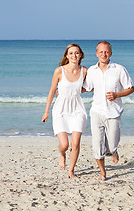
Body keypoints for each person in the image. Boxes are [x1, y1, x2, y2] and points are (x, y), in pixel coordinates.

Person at [83, 41, 134, 181]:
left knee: (112, 144)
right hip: (97, 111)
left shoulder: (119, 69)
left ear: (110, 53)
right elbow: (86, 88)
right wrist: (65, 90)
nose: (103, 54)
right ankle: (102, 172)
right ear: (96, 53)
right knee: (97, 143)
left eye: (106, 52)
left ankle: (114, 151)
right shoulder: (92, 71)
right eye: (101, 52)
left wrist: (117, 95)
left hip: (114, 112)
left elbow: (130, 88)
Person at [41, 43, 87, 179]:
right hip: (60, 110)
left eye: (77, 53)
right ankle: (62, 154)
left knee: (75, 143)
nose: (74, 55)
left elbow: (90, 86)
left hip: (77, 109)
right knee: (65, 145)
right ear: (67, 55)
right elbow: (51, 91)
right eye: (71, 53)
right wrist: (46, 111)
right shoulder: (59, 71)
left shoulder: (84, 71)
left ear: (81, 55)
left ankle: (71, 170)